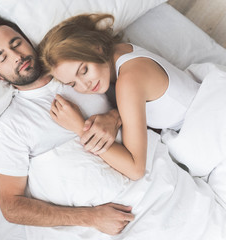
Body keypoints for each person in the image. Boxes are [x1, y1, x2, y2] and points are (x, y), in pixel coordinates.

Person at [0, 11, 134, 235]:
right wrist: (91, 217)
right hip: (113, 220)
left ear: (28, 41)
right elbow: (11, 206)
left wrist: (115, 116)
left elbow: (138, 85)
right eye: (3, 57)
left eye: (16, 43)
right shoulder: (12, 125)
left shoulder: (74, 67)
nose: (16, 56)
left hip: (152, 173)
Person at [38, 13, 200, 180]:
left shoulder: (128, 81)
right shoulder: (121, 51)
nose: (84, 85)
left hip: (204, 126)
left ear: (96, 47)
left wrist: (80, 128)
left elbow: (136, 169)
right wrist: (114, 115)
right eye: (73, 84)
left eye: (84, 70)